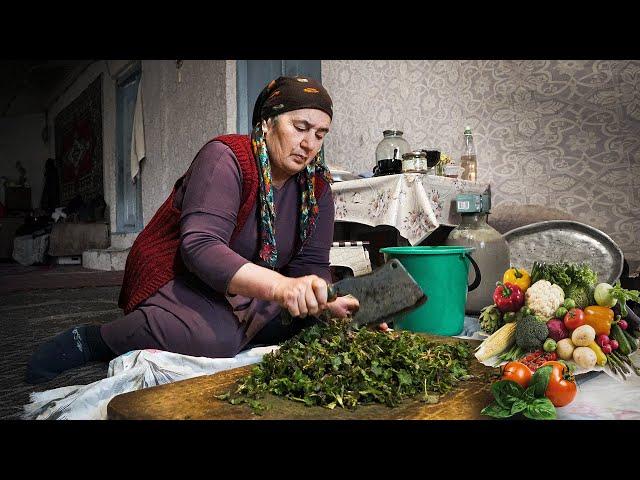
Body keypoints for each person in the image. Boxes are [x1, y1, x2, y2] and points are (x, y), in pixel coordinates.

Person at [26, 75, 363, 384]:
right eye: (300, 127)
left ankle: (248, 321)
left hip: (244, 287)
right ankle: (95, 339)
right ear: (268, 123)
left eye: (320, 134)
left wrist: (325, 300)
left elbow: (311, 267)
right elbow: (199, 248)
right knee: (217, 338)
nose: (309, 144)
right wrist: (280, 288)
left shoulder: (314, 189)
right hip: (181, 274)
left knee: (319, 321)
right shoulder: (227, 158)